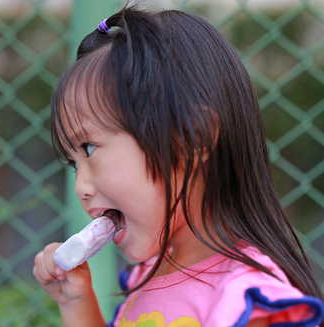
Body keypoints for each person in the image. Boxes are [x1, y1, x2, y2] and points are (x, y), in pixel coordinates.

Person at [33, 5, 324, 327]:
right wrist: (78, 304)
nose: (80, 188)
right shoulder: (145, 277)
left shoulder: (245, 301)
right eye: (74, 164)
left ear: (190, 138)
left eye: (89, 148)